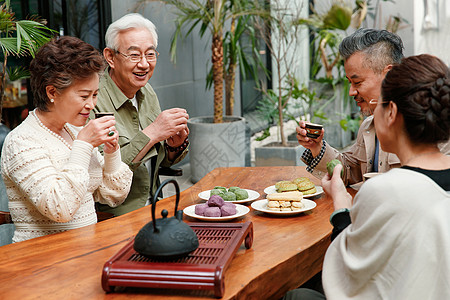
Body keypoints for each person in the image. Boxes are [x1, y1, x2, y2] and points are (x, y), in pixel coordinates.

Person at [285, 54, 450, 299]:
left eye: (380, 103)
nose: (353, 93)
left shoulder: (386, 190)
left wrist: (342, 207)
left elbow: (347, 276)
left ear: (391, 112)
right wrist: (317, 148)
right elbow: (350, 165)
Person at [0, 36, 133, 243]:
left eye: (95, 95)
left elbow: (113, 196)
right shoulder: (21, 141)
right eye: (83, 96)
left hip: (86, 251)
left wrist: (111, 152)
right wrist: (84, 145)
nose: (91, 104)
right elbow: (59, 208)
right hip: (42, 262)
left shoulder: (73, 130)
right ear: (52, 92)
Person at [296, 28, 450, 185]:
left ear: (388, 74)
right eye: (350, 83)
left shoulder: (427, 123)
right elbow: (351, 172)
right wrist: (317, 148)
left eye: (357, 82)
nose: (351, 92)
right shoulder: (369, 125)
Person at [92, 13, 189, 216]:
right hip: (114, 216)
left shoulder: (147, 91)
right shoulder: (93, 99)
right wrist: (153, 133)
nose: (144, 64)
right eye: (134, 55)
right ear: (110, 57)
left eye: (150, 54)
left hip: (155, 205)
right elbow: (104, 175)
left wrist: (174, 145)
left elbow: (160, 161)